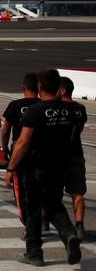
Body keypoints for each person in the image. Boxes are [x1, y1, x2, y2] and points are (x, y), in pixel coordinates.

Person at [4, 69, 82, 267]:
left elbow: (23, 142)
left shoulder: (36, 110)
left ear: (40, 87)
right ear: (59, 87)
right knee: (55, 205)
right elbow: (73, 137)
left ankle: (35, 252)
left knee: (33, 210)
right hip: (59, 166)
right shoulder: (70, 111)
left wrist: (11, 168)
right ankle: (69, 234)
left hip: (36, 167)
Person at [1, 73, 40, 234]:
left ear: (23, 88)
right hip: (42, 153)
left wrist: (5, 150)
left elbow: (5, 131)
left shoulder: (15, 105)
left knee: (21, 191)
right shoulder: (43, 105)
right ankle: (40, 220)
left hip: (21, 153)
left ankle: (29, 228)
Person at [59, 76, 87, 241]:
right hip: (76, 153)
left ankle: (45, 221)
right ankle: (80, 225)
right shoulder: (80, 109)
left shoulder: (56, 108)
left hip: (57, 156)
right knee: (77, 192)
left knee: (49, 191)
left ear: (62, 91)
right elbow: (79, 129)